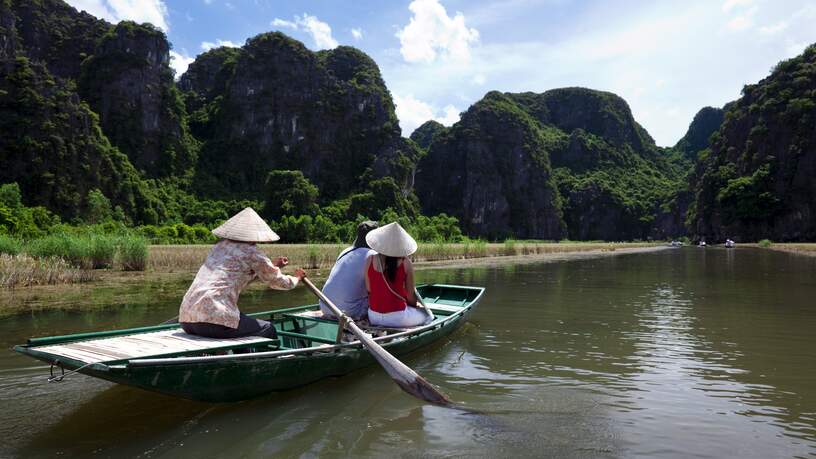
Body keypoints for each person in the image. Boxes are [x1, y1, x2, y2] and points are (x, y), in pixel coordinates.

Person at [179, 207, 306, 339]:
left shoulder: (218, 247)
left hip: (186, 319)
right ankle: (271, 359)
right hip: (215, 320)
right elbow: (280, 283)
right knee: (268, 328)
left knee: (237, 319)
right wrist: (297, 278)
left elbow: (238, 275)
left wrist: (273, 266)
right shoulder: (252, 252)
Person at [364, 222, 432, 328]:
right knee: (428, 316)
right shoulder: (405, 263)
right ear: (401, 245)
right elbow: (410, 295)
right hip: (397, 318)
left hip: (373, 316)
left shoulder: (369, 259)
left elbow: (369, 290)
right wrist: (416, 306)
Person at [319, 221, 379, 320]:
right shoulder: (372, 255)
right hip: (347, 311)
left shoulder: (346, 251)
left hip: (325, 306)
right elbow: (376, 289)